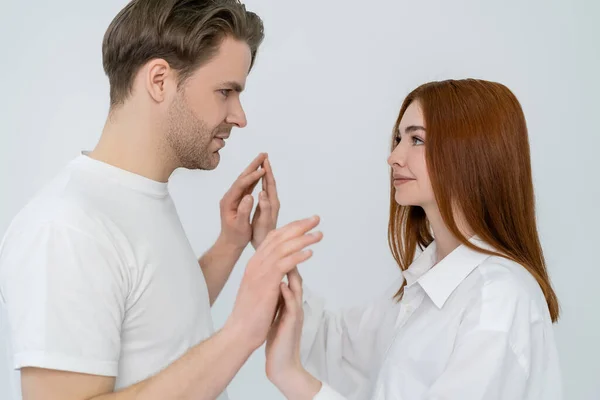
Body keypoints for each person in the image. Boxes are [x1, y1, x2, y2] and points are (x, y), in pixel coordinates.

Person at [0, 1, 323, 399]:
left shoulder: (136, 199)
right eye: (226, 91)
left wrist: (230, 244)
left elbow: (155, 325)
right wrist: (240, 334)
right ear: (158, 80)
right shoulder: (66, 228)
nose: (239, 116)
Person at [264, 79, 563, 400]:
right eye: (398, 139)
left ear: (472, 152)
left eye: (416, 139)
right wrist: (269, 248)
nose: (393, 157)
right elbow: (333, 347)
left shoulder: (497, 299)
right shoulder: (424, 287)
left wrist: (290, 376)